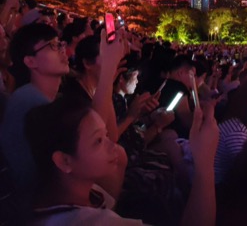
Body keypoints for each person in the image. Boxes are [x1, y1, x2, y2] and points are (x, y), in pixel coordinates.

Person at [25, 95, 218, 226]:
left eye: (106, 135)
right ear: (64, 161)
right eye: (98, 141)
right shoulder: (91, 222)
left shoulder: (82, 191)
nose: (112, 145)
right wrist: (204, 163)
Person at [2, 23, 70, 209]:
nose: (62, 50)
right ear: (30, 61)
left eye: (60, 44)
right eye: (52, 45)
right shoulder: (32, 103)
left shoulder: (31, 96)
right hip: (31, 209)